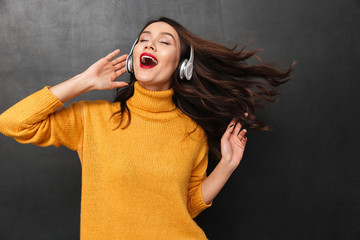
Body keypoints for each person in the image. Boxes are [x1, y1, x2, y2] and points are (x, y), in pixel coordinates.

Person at [0, 17, 295, 239]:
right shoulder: (93, 120)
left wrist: (227, 165)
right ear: (133, 56)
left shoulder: (192, 131)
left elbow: (186, 206)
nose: (150, 44)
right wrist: (83, 82)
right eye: (144, 39)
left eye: (165, 42)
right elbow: (12, 123)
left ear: (183, 66)